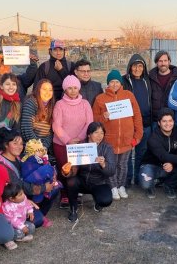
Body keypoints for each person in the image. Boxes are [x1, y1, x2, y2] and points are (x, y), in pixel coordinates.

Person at [93, 70, 143, 200]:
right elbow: (94, 119)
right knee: (111, 165)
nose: (114, 84)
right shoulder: (100, 98)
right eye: (111, 82)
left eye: (117, 81)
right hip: (110, 140)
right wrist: (103, 117)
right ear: (108, 84)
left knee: (123, 164)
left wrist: (137, 136)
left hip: (127, 139)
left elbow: (137, 116)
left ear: (120, 83)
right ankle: (113, 187)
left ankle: (121, 186)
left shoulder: (129, 96)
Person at [0, 129, 56, 228]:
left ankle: (38, 213)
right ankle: (27, 218)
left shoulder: (19, 157)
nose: (19, 147)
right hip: (14, 200)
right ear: (6, 145)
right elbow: (17, 185)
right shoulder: (1, 164)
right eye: (15, 143)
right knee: (38, 221)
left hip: (25, 192)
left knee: (54, 188)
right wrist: (43, 187)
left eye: (21, 144)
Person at [52, 75, 93, 208]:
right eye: (69, 88)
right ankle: (64, 195)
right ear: (65, 90)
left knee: (79, 169)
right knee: (65, 169)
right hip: (62, 144)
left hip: (81, 143)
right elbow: (56, 125)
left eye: (75, 87)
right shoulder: (59, 104)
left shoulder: (85, 103)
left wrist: (80, 138)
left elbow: (89, 122)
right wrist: (68, 140)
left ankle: (77, 193)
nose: (73, 90)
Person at [65, 122, 115, 222]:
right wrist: (67, 170)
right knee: (71, 182)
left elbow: (111, 171)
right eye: (96, 133)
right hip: (82, 181)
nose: (99, 136)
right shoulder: (80, 146)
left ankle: (98, 203)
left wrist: (103, 164)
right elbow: (72, 171)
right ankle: (73, 209)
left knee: (106, 200)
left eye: (102, 133)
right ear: (89, 134)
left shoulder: (107, 148)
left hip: (99, 182)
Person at [139, 108, 177, 199]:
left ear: (173, 121)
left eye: (170, 121)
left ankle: (168, 185)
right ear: (159, 123)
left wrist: (172, 164)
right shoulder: (153, 138)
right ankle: (152, 184)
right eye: (164, 121)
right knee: (145, 184)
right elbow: (163, 156)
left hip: (169, 165)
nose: (168, 124)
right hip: (152, 165)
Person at [121, 54, 152, 188]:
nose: (137, 69)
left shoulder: (148, 80)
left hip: (145, 125)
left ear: (144, 68)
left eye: (140, 66)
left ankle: (139, 179)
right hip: (128, 125)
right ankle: (127, 180)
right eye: (135, 66)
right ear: (130, 67)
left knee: (141, 153)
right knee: (127, 155)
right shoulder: (123, 81)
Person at [149, 51, 177, 129]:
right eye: (160, 61)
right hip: (156, 121)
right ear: (156, 62)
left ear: (169, 61)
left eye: (165, 60)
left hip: (172, 120)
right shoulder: (150, 78)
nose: (163, 63)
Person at [20, 79, 55, 148]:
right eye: (44, 89)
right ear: (38, 90)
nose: (47, 92)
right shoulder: (31, 103)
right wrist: (38, 146)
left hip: (44, 148)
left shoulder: (51, 105)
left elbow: (51, 132)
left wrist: (44, 147)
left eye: (50, 90)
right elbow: (26, 129)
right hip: (29, 146)